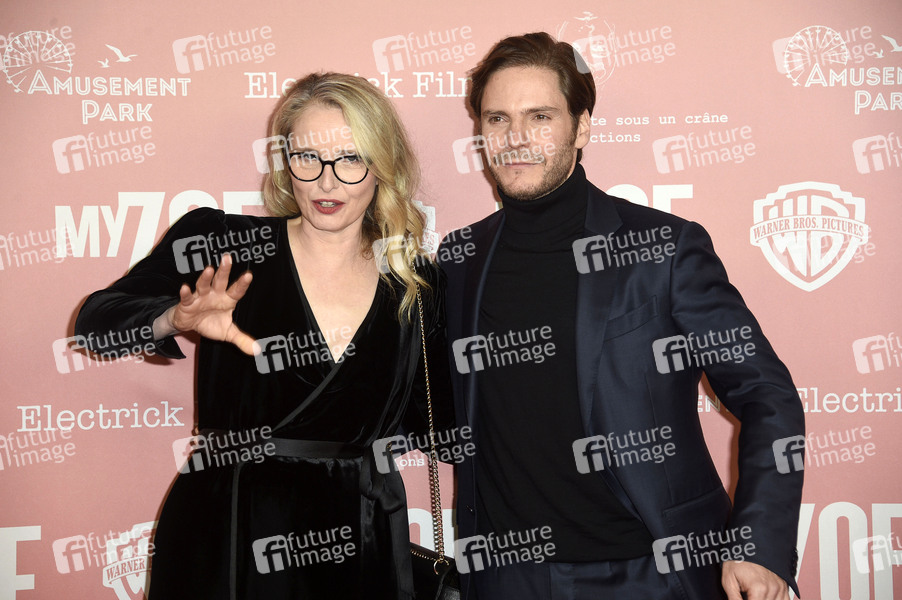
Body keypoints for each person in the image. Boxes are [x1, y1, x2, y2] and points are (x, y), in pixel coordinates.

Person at [438, 33, 804, 600]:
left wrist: (758, 544)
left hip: (648, 571)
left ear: (581, 127)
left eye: (540, 117)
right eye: (498, 118)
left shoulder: (663, 248)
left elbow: (766, 394)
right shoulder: (461, 258)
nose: (516, 138)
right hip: (507, 577)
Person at [75, 72, 452, 599]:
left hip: (358, 537)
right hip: (230, 528)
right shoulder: (223, 243)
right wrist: (173, 319)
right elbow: (96, 323)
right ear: (285, 161)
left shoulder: (414, 283)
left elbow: (440, 424)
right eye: (308, 157)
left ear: (383, 166)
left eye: (350, 158)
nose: (326, 182)